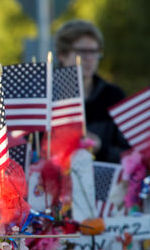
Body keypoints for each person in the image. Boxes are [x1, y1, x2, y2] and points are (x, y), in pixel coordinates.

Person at [54, 19, 129, 163]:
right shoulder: (45, 96)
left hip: (102, 179)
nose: (89, 59)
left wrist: (100, 147)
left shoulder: (113, 96)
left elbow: (129, 154)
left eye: (94, 52)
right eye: (81, 52)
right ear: (62, 55)